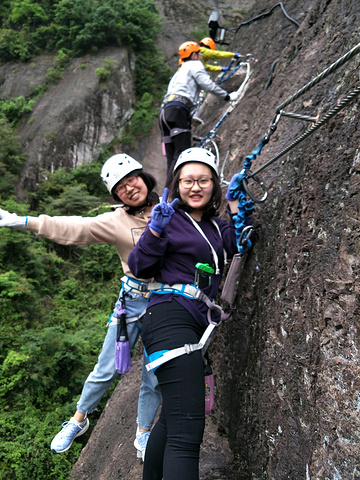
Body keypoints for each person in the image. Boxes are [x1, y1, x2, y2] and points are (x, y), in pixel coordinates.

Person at [0, 154, 162, 460]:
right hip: (132, 301)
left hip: (165, 300)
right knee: (106, 368)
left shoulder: (169, 210)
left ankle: (143, 432)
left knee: (153, 372)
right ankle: (79, 420)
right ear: (115, 196)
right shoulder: (116, 221)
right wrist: (22, 221)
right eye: (120, 187)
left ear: (144, 178)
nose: (129, 188)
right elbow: (74, 228)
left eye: (132, 180)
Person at [128, 147, 239, 479]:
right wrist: (155, 231)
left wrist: (235, 207)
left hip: (190, 324)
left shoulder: (217, 227)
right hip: (169, 317)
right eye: (188, 180)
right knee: (187, 434)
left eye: (203, 180)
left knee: (171, 419)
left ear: (214, 185)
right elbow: (139, 266)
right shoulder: (168, 219)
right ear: (176, 185)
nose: (195, 187)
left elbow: (235, 246)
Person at [159, 41, 239, 187]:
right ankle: (172, 195)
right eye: (199, 54)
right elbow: (207, 84)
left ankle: (167, 194)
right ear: (195, 55)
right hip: (178, 109)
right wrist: (227, 96)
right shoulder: (195, 65)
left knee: (171, 159)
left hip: (165, 112)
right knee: (181, 154)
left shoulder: (180, 70)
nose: (201, 56)